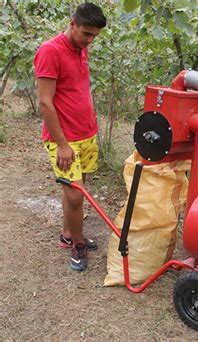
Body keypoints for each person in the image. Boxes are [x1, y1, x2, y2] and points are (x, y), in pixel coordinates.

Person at [34, 3, 106, 271]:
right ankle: (77, 245)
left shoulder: (81, 49)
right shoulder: (50, 51)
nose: (90, 40)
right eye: (86, 33)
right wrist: (63, 144)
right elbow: (45, 103)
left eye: (94, 36)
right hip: (63, 139)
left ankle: (68, 233)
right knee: (75, 196)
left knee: (78, 190)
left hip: (87, 134)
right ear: (72, 23)